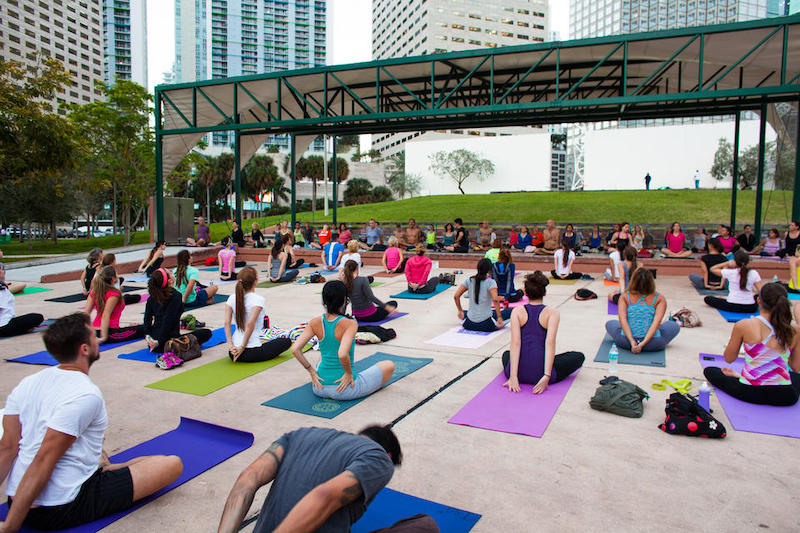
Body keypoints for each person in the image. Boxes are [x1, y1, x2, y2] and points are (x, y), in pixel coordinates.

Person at [0, 314, 183, 532]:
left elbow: (7, 447)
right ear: (84, 349)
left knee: (100, 449)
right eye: (93, 336)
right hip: (60, 506)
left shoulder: (28, 383)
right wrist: (10, 525)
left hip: (18, 497)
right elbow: (44, 459)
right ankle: (104, 470)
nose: (97, 339)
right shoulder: (85, 394)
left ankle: (104, 468)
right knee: (172, 464)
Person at [216, 425, 425, 533]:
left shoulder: (299, 435)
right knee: (426, 525)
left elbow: (248, 478)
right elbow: (324, 496)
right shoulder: (378, 458)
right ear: (389, 455)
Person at [291, 279, 395, 399]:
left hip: (319, 387)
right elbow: (342, 354)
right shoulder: (350, 324)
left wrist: (311, 371)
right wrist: (348, 373)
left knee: (323, 356)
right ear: (344, 300)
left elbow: (295, 349)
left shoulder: (314, 322)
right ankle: (350, 376)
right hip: (346, 390)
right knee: (389, 365)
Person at [705, 283, 800, 406]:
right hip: (785, 397)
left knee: (710, 371)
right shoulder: (795, 330)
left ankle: (738, 377)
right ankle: (739, 376)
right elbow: (796, 367)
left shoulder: (744, 325)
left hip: (750, 392)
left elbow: (729, 358)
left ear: (759, 300)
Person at [502, 272, 584, 393]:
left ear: (525, 293)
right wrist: (546, 376)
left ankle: (516, 372)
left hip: (517, 374)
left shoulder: (517, 312)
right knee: (578, 356)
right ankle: (544, 370)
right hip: (541, 374)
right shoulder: (552, 313)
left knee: (506, 354)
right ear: (544, 292)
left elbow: (515, 343)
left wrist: (513, 376)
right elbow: (549, 343)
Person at [224, 267, 291, 363]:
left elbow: (226, 323)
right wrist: (242, 347)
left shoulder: (231, 298)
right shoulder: (258, 299)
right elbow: (250, 324)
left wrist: (231, 346)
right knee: (285, 341)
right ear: (255, 282)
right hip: (252, 353)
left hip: (233, 353)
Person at [605, 268, 680, 352]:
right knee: (673, 325)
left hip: (625, 342)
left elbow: (623, 320)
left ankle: (635, 340)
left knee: (610, 323)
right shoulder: (660, 299)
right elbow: (656, 323)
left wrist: (632, 341)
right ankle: (643, 341)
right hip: (653, 343)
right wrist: (643, 343)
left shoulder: (625, 296)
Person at [143, 268, 212, 353]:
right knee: (206, 333)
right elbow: (167, 320)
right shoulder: (175, 296)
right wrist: (159, 342)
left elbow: (147, 319)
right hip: (169, 342)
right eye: (171, 274)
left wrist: (148, 337)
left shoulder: (152, 297)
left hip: (153, 342)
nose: (173, 275)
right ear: (169, 281)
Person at [83, 266, 145, 344]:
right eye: (116, 274)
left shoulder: (94, 291)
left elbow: (86, 313)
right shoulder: (114, 294)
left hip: (95, 330)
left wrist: (86, 332)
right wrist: (104, 337)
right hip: (110, 333)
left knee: (136, 327)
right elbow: (106, 314)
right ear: (113, 279)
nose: (118, 276)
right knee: (146, 328)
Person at [453, 258, 512, 332]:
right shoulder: (491, 282)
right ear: (489, 270)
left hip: (469, 324)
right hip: (486, 325)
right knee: (510, 311)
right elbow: (495, 299)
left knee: (464, 313)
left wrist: (459, 310)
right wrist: (499, 317)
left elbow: (456, 296)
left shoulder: (469, 280)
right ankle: (497, 321)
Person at [0, 265, 44, 338]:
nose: (3, 272)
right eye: (1, 270)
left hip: (5, 323)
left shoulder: (2, 287)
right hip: (3, 327)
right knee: (37, 317)